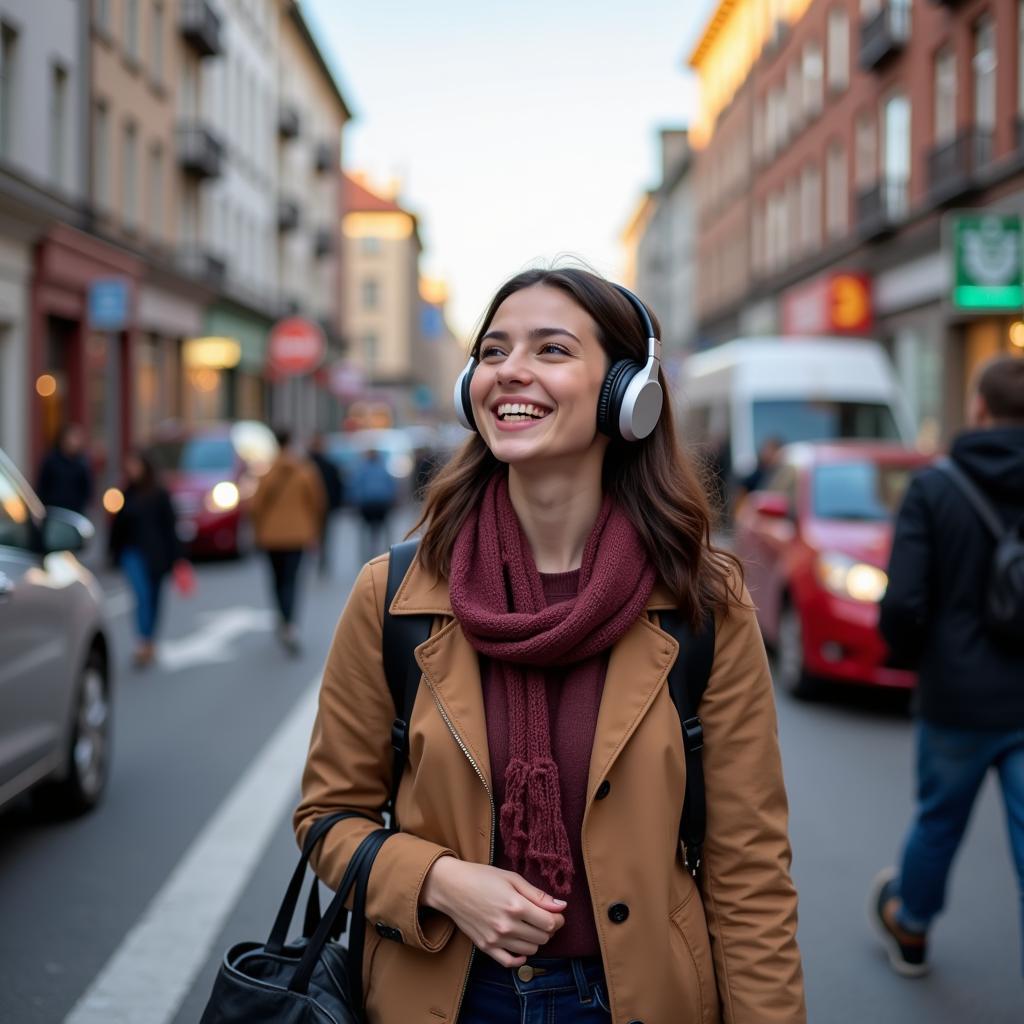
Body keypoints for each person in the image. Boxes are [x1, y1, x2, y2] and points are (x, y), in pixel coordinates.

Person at [294, 268, 805, 1023]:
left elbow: (750, 871)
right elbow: (328, 817)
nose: (511, 371)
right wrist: (439, 881)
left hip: (638, 1001)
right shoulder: (393, 594)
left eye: (552, 350)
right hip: (441, 999)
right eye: (494, 351)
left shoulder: (702, 602)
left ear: (627, 396)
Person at [871, 353, 1024, 978]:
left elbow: (904, 602)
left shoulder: (935, 487)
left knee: (939, 822)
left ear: (979, 408)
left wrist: (915, 662)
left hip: (958, 696)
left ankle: (909, 928)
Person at [250, 427, 326, 655]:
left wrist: (258, 530)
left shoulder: (267, 473)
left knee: (276, 579)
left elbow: (255, 506)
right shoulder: (305, 472)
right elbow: (318, 503)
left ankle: (283, 619)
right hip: (298, 535)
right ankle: (290, 623)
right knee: (292, 580)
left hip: (271, 537)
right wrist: (314, 531)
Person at [108, 450, 184, 667]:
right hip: (132, 553)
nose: (131, 470)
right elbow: (117, 527)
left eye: (135, 465)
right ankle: (143, 641)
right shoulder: (126, 493)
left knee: (154, 598)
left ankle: (150, 639)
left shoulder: (159, 494)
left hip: (157, 556)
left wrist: (177, 558)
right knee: (141, 596)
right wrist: (112, 553)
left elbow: (170, 527)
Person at [348, 448, 397, 562]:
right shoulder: (382, 468)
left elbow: (355, 487)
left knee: (367, 532)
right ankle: (385, 554)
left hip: (369, 504)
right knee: (382, 530)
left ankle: (368, 555)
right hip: (379, 503)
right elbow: (391, 486)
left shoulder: (362, 469)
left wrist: (354, 502)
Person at [36, 422, 94, 515]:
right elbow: (42, 486)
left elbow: (87, 490)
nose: (74, 442)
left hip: (74, 513)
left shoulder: (81, 464)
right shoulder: (51, 461)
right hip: (54, 512)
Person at [308, 433, 343, 576]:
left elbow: (337, 486)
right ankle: (321, 560)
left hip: (318, 508)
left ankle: (319, 560)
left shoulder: (306, 465)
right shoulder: (306, 466)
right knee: (322, 536)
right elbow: (338, 486)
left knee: (320, 535)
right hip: (321, 507)